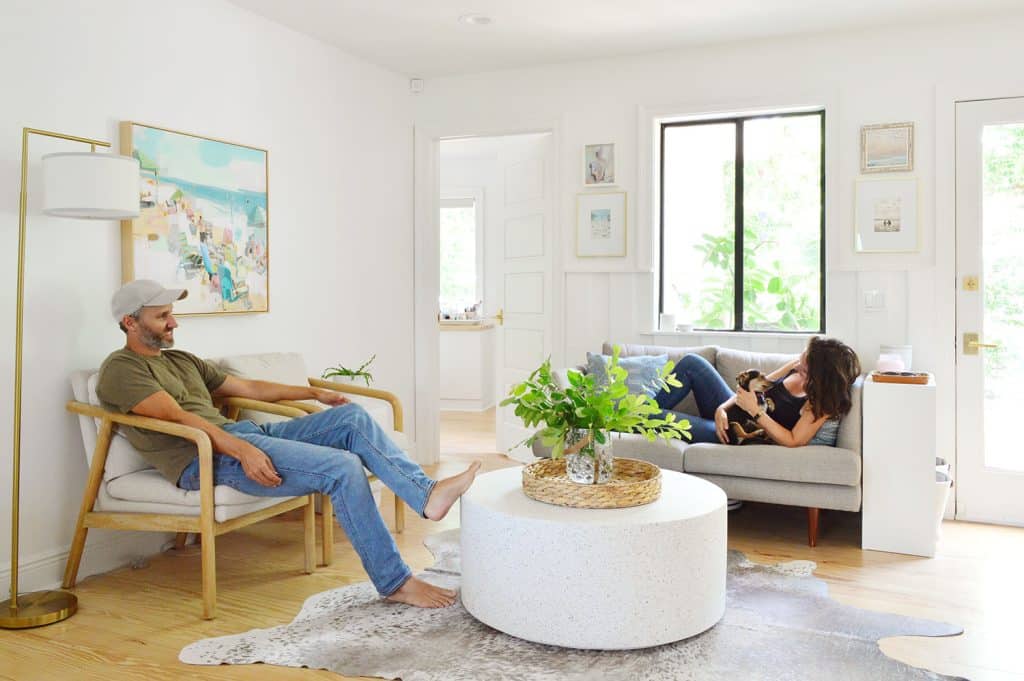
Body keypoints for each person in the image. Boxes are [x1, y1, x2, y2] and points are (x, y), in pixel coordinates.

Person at [96, 279, 480, 608]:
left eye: (170, 313)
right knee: (342, 467)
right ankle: (396, 583)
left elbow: (247, 388)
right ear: (130, 322)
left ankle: (425, 495)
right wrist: (242, 449)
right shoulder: (121, 369)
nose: (173, 322)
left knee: (351, 419)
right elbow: (178, 419)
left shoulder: (181, 359)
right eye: (162, 316)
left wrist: (313, 392)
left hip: (245, 438)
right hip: (205, 458)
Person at [656, 337, 861, 447]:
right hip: (731, 412)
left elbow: (793, 440)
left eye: (805, 369)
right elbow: (754, 388)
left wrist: (756, 412)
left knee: (653, 417)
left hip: (736, 431)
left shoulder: (821, 402)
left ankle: (628, 421)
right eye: (800, 360)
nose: (798, 367)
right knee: (693, 363)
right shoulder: (795, 367)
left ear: (821, 376)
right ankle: (629, 423)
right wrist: (722, 408)